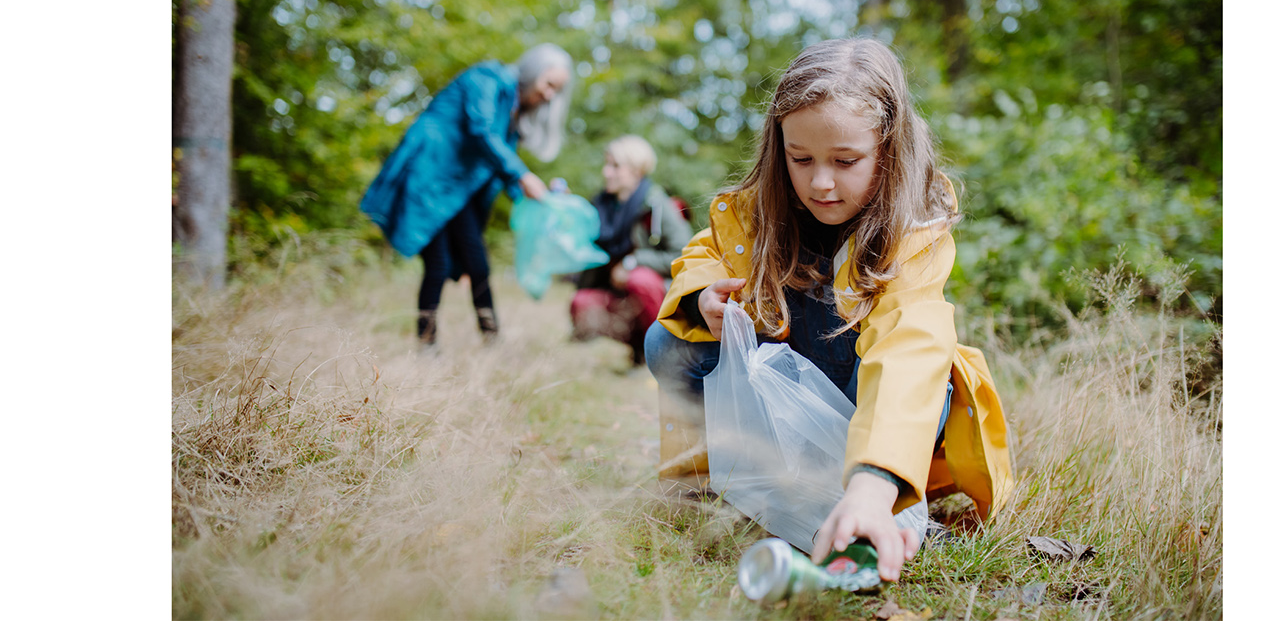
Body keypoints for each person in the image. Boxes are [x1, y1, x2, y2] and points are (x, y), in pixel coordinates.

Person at [643, 38, 1013, 582]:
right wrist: (702, 297)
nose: (820, 182)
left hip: (868, 406)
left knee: (931, 378)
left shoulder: (912, 231)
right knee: (667, 341)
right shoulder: (757, 212)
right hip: (780, 409)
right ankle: (729, 487)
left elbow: (909, 350)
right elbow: (704, 252)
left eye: (845, 161)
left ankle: (869, 501)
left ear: (889, 149)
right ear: (779, 149)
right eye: (801, 159)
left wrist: (872, 485)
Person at [361, 44, 574, 345]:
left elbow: (501, 165)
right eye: (549, 84)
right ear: (533, 71)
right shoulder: (487, 79)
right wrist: (523, 175)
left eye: (557, 90)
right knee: (438, 264)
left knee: (478, 265)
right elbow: (481, 132)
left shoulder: (513, 110)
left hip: (458, 191)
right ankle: (427, 344)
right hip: (430, 176)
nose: (550, 95)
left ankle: (492, 340)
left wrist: (536, 195)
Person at [570, 136, 693, 365]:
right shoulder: (601, 205)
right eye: (607, 164)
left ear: (637, 170)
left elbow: (685, 256)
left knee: (640, 279)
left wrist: (633, 261)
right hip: (618, 295)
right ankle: (639, 350)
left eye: (615, 166)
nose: (606, 172)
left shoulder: (659, 205)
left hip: (657, 294)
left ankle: (664, 355)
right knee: (582, 302)